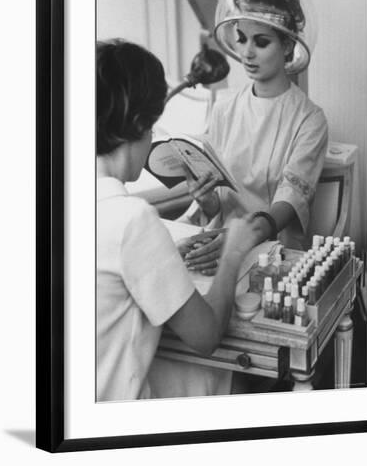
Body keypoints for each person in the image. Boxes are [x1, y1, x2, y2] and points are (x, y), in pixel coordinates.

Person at [96, 39, 258, 402]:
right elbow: (206, 336)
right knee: (231, 380)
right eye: (152, 125)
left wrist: (166, 251)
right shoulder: (131, 218)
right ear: (139, 125)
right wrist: (233, 252)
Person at [183, 0, 328, 275]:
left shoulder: (310, 120)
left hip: (273, 255)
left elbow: (290, 201)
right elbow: (219, 200)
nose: (247, 52)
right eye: (241, 39)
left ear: (287, 46)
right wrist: (208, 201)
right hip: (219, 245)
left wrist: (241, 240)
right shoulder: (225, 108)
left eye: (261, 42)